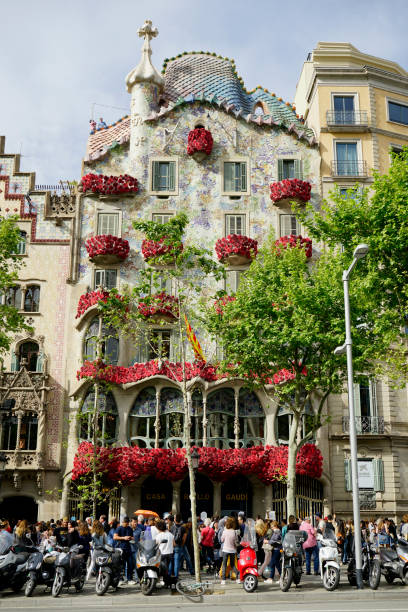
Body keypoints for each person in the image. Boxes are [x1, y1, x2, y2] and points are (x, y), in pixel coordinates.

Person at [114, 516, 136, 585]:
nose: (126, 524)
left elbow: (133, 537)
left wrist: (130, 538)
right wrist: (124, 538)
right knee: (121, 565)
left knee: (130, 564)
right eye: (125, 523)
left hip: (128, 548)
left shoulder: (130, 529)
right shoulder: (119, 528)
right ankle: (120, 579)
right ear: (122, 522)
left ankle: (129, 579)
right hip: (121, 548)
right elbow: (115, 537)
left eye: (127, 523)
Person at [172, 514, 193, 578]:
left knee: (176, 561)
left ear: (175, 519)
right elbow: (184, 538)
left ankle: (176, 575)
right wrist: (182, 544)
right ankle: (192, 571)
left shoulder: (172, 527)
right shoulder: (183, 527)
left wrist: (173, 544)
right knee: (188, 558)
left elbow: (171, 537)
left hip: (175, 545)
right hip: (182, 545)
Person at [220, 517, 239, 586]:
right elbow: (236, 541)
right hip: (233, 550)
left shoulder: (225, 531)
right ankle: (238, 577)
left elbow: (222, 540)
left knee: (224, 565)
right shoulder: (234, 532)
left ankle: (223, 580)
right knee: (233, 564)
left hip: (225, 550)